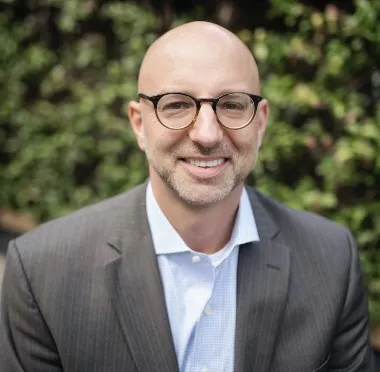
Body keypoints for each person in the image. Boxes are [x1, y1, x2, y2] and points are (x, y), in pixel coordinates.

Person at [0, 21, 375, 372]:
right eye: (177, 104)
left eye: (231, 104)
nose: (207, 134)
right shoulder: (41, 274)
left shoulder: (332, 261)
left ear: (260, 122)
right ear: (138, 124)